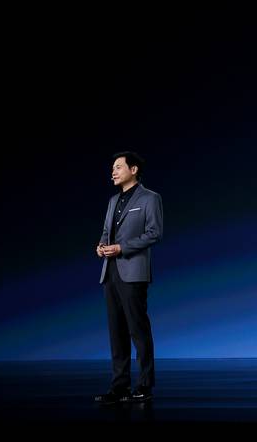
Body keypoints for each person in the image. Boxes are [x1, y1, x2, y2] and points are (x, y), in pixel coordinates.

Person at [93, 151, 164, 405]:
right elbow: (106, 231)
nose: (113, 171)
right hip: (110, 271)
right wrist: (102, 246)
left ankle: (144, 385)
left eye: (118, 167)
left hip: (133, 272)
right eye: (112, 167)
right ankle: (119, 386)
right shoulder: (113, 200)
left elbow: (154, 233)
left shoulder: (150, 198)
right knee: (117, 332)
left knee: (138, 330)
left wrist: (122, 248)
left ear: (133, 170)